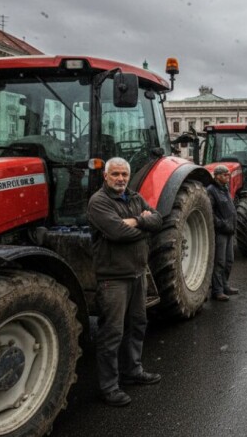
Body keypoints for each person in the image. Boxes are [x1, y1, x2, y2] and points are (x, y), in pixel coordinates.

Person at [88, 157, 163, 407]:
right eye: (116, 174)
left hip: (137, 274)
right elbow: (117, 233)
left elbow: (158, 219)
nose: (121, 179)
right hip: (113, 279)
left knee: (137, 325)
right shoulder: (99, 202)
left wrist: (138, 221)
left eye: (124, 174)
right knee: (112, 333)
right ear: (105, 176)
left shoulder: (134, 197)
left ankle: (133, 371)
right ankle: (109, 387)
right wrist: (143, 225)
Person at [207, 164, 238, 301]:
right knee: (219, 262)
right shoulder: (211, 190)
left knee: (229, 260)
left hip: (229, 230)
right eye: (225, 175)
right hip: (221, 232)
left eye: (228, 174)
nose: (228, 177)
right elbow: (210, 213)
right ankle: (217, 291)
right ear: (218, 176)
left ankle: (225, 285)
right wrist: (222, 224)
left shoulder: (224, 189)